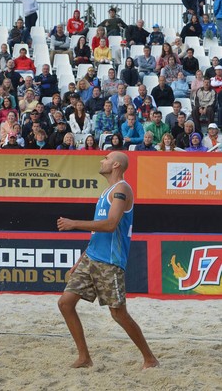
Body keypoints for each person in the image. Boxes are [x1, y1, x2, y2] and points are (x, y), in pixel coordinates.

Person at [57, 152, 159, 370]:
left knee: (118, 313)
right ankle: (84, 357)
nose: (101, 161)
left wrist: (73, 223)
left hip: (110, 262)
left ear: (115, 165)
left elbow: (111, 224)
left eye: (105, 158)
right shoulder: (106, 192)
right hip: (92, 258)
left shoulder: (122, 189)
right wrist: (80, 260)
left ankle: (150, 359)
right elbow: (97, 233)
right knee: (65, 303)